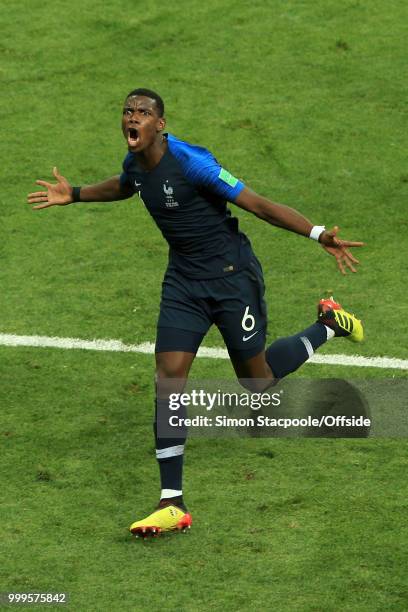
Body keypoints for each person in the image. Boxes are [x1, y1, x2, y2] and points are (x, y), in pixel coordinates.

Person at [28, 87, 364, 537]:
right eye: (128, 111)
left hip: (232, 280)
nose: (133, 117)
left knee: (257, 381)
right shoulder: (136, 163)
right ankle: (172, 502)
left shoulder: (192, 164)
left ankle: (328, 324)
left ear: (159, 125)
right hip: (183, 283)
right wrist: (77, 193)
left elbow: (258, 204)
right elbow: (126, 185)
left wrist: (318, 233)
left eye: (143, 112)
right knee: (169, 377)